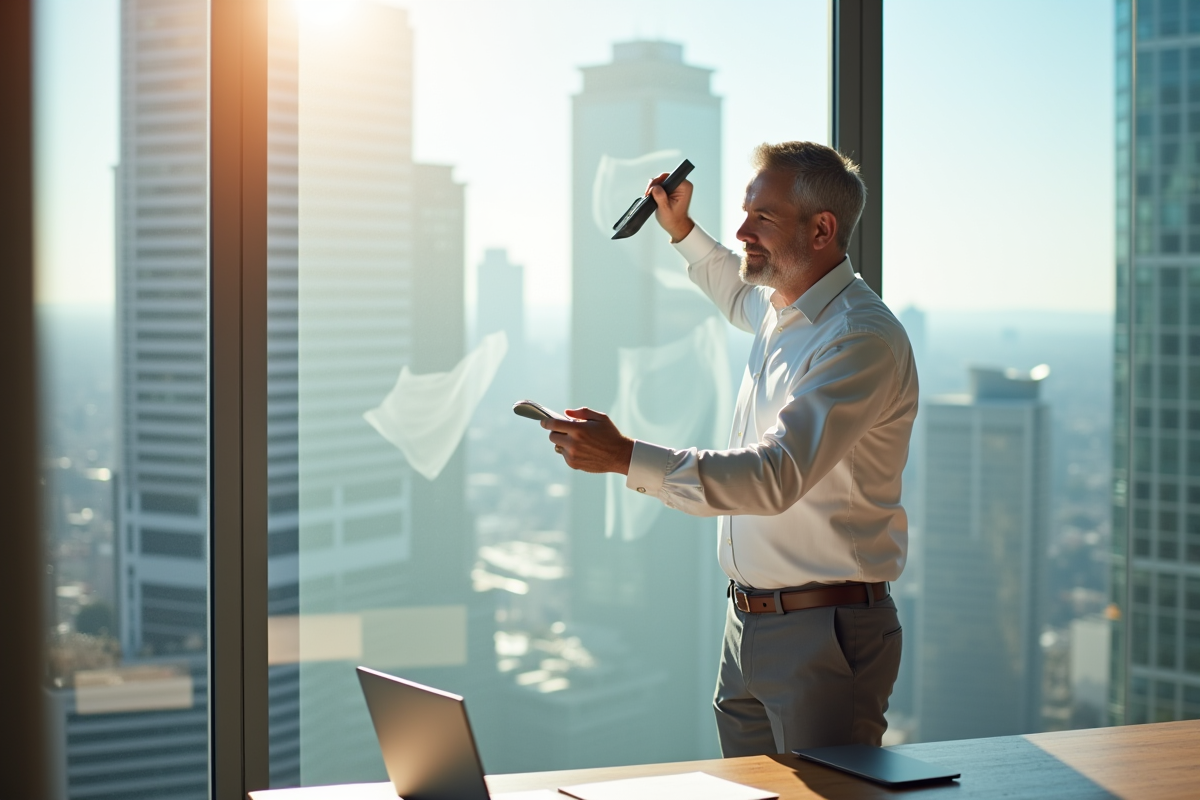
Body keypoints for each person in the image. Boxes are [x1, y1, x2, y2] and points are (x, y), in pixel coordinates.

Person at [541, 141, 918, 756]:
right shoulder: (782, 308)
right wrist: (683, 229)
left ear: (822, 229)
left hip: (825, 632)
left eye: (762, 218)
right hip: (749, 625)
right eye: (746, 212)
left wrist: (625, 457)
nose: (742, 229)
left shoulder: (859, 340)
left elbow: (774, 477)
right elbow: (737, 295)